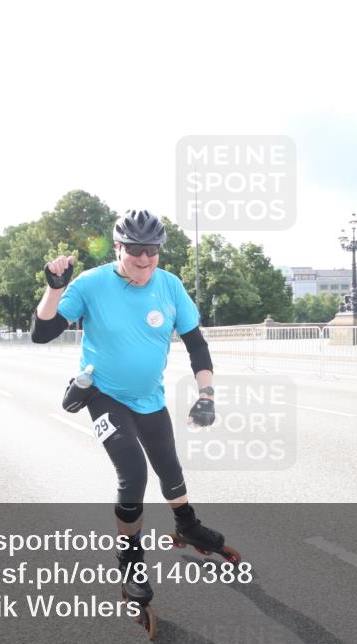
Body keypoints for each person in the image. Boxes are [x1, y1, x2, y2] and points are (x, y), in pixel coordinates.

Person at [30, 209, 233, 611]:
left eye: (152, 250)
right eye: (135, 249)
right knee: (134, 472)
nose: (144, 259)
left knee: (170, 468)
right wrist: (54, 289)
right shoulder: (91, 284)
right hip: (104, 395)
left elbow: (197, 344)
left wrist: (207, 394)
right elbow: (42, 333)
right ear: (118, 247)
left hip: (149, 397)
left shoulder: (171, 286)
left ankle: (186, 524)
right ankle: (130, 559)